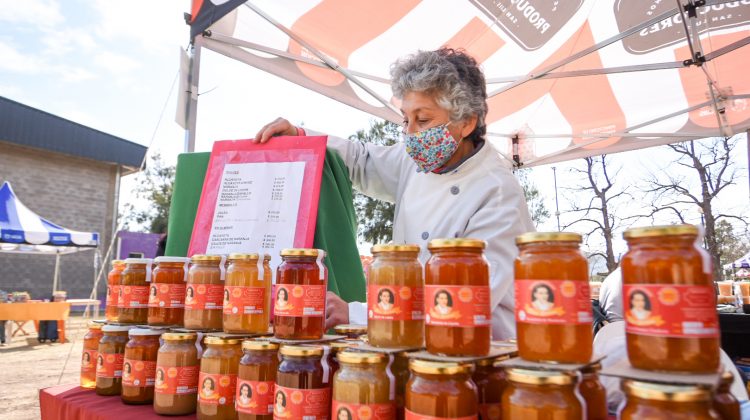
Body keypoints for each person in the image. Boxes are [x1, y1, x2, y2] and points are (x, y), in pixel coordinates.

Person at [255, 48, 534, 340]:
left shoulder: (497, 192)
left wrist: (356, 313)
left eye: (423, 120)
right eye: (405, 120)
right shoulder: (412, 159)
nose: (410, 134)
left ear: (467, 122)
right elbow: (361, 160)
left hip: (478, 350)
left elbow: (467, 299)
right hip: (409, 339)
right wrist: (301, 137)